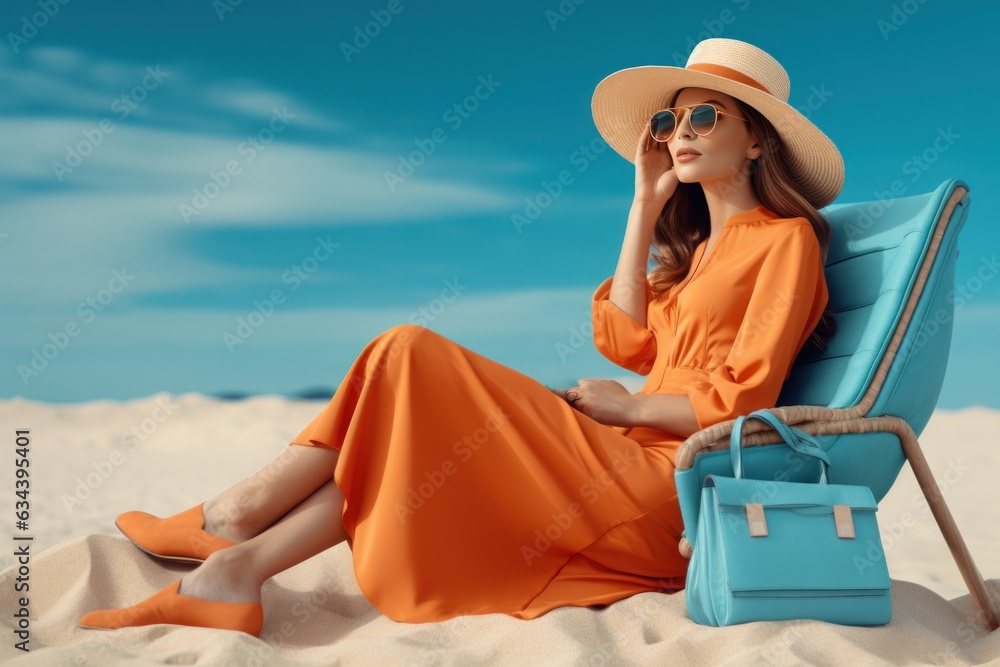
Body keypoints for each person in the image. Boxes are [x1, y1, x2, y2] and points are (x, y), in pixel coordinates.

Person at [77, 37, 841, 637]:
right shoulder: (699, 252)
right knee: (400, 403)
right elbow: (625, 340)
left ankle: (235, 518)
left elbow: (746, 398)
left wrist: (632, 410)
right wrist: (643, 204)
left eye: (706, 116)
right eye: (672, 120)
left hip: (668, 485)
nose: (681, 134)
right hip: (621, 449)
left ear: (756, 143)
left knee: (405, 350)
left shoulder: (786, 243)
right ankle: (236, 568)